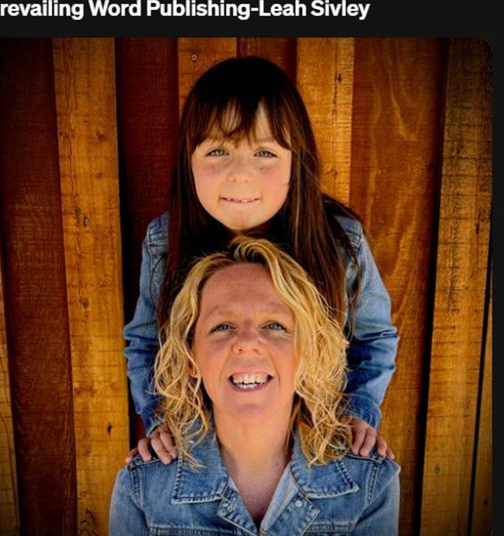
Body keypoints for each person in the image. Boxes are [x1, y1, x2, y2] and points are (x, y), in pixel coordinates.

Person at [123, 56, 398, 465]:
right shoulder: (165, 243)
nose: (240, 175)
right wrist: (160, 418)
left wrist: (357, 411)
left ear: (295, 161)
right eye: (218, 150)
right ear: (188, 161)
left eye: (265, 153)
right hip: (201, 445)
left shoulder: (338, 242)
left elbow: (373, 338)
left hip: (316, 439)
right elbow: (147, 343)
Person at [110, 237, 400, 535]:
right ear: (190, 358)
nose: (247, 342)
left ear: (308, 354)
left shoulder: (369, 484)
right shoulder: (142, 490)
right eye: (222, 326)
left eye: (275, 325)